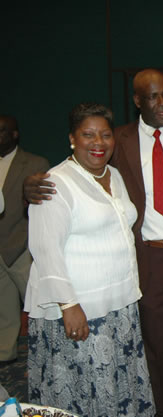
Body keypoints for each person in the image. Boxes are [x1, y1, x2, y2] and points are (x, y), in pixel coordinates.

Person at [24, 69, 163, 417]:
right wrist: (28, 190)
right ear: (137, 101)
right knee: (151, 345)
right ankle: (157, 407)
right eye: (153, 96)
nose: (162, 102)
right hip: (146, 259)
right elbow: (77, 174)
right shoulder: (116, 140)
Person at [24, 103, 154, 416]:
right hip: (79, 309)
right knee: (82, 390)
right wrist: (69, 305)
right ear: (72, 138)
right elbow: (45, 249)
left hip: (118, 303)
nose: (98, 142)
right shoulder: (54, 183)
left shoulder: (116, 175)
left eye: (105, 135)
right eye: (88, 135)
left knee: (116, 385)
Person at [0, 115, 49, 366]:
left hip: (22, 248)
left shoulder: (34, 163)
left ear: (14, 134)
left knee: (37, 306)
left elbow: (39, 207)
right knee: (4, 308)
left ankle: (45, 353)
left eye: (2, 131)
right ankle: (5, 354)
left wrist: (27, 243)